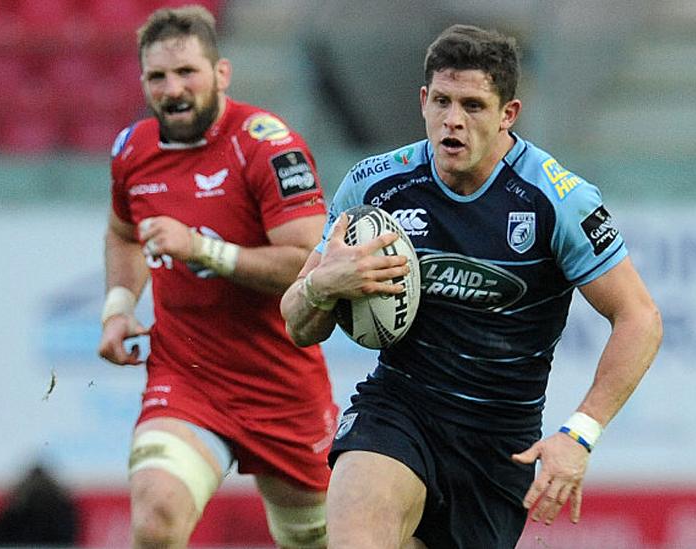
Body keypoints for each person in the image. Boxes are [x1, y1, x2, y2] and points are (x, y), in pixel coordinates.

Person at [281, 24, 663, 548]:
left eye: (473, 105)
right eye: (441, 101)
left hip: (498, 443)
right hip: (399, 408)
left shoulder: (557, 199)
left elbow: (640, 318)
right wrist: (323, 284)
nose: (452, 120)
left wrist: (581, 433)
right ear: (423, 101)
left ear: (509, 114)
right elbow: (298, 325)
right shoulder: (375, 186)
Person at [97, 6, 335, 548]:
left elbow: (307, 263)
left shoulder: (269, 146)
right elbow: (122, 233)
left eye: (188, 72)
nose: (173, 89)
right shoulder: (132, 150)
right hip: (187, 377)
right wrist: (117, 307)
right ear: (143, 82)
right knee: (156, 516)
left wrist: (203, 249)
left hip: (281, 384)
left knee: (318, 540)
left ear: (221, 73)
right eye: (158, 77)